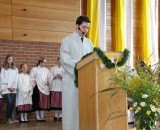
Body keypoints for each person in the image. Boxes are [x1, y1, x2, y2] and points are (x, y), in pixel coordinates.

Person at [60, 16, 93, 130]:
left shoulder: (89, 43)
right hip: (71, 79)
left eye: (88, 28)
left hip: (86, 80)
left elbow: (92, 59)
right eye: (84, 27)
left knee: (84, 107)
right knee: (71, 107)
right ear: (77, 25)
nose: (86, 30)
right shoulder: (67, 40)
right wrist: (80, 64)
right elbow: (64, 59)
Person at [30, 57, 51, 122]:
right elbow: (31, 77)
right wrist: (34, 81)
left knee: (43, 102)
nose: (44, 64)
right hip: (37, 88)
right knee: (37, 102)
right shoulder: (34, 69)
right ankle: (37, 117)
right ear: (40, 62)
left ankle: (42, 117)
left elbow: (49, 78)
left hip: (44, 88)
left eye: (45, 62)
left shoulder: (46, 70)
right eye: (43, 62)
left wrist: (48, 81)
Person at [1, 54, 18, 123]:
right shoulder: (3, 68)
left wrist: (13, 87)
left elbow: (16, 79)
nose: (9, 60)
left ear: (13, 60)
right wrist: (8, 87)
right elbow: (2, 78)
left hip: (13, 88)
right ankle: (8, 118)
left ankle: (11, 117)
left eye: (11, 59)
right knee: (9, 102)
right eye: (8, 59)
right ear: (6, 60)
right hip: (6, 88)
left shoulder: (15, 69)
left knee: (12, 103)